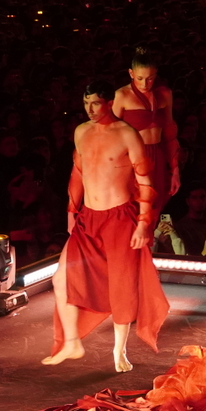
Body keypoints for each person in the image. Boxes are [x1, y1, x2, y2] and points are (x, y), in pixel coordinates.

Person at [42, 81, 169, 372]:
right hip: (88, 218)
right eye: (86, 103)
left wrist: (142, 224)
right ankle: (72, 342)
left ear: (109, 102)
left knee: (121, 287)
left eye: (95, 103)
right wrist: (72, 214)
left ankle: (119, 350)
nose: (89, 109)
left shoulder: (127, 135)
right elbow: (78, 173)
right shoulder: (81, 131)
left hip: (120, 218)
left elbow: (146, 183)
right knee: (62, 279)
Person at [113, 47, 180, 222]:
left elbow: (169, 133)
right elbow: (111, 134)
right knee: (133, 209)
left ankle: (147, 247)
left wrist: (174, 169)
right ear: (131, 73)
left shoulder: (164, 94)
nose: (145, 84)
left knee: (155, 207)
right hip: (132, 158)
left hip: (157, 155)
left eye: (150, 79)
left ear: (156, 74)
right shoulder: (122, 95)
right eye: (140, 78)